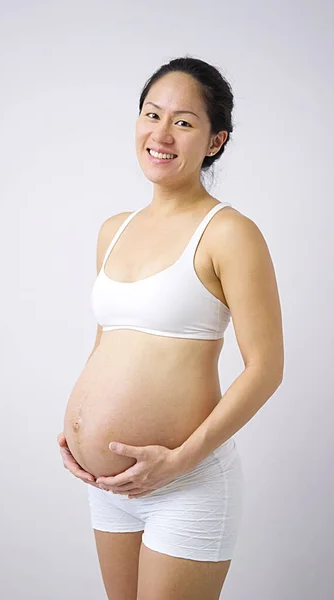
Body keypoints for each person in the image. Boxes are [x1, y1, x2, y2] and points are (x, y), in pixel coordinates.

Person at [57, 56, 284, 600]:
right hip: (106, 487)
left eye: (183, 122)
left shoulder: (229, 232)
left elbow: (266, 369)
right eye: (151, 114)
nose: (161, 134)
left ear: (214, 141)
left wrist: (180, 459)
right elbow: (108, 342)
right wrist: (80, 429)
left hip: (186, 482)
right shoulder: (113, 230)